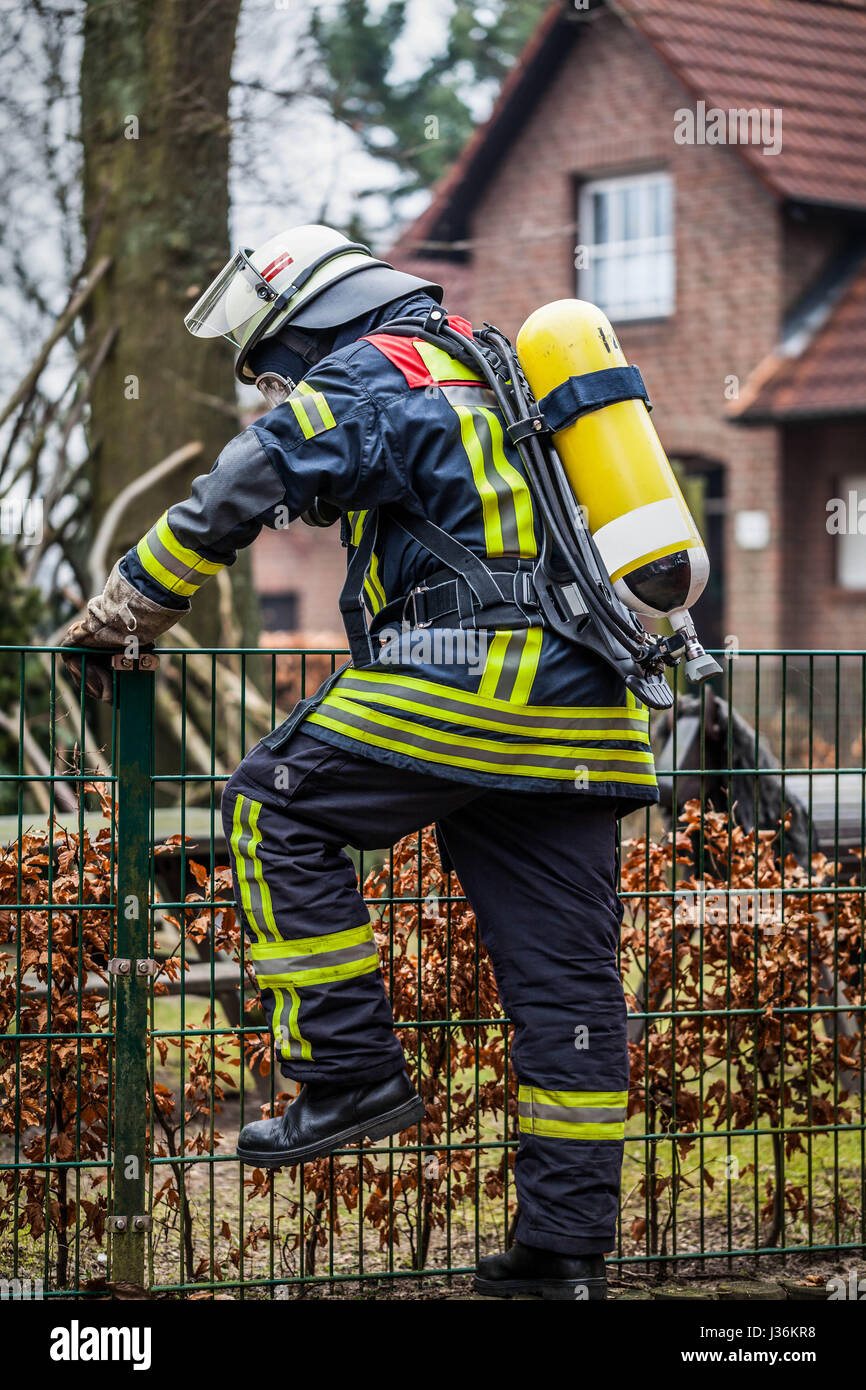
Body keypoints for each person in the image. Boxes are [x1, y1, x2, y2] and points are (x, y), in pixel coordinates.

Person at [62, 224, 659, 1300]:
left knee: (269, 810)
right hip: (588, 716)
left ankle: (347, 1072)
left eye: (277, 361)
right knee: (568, 992)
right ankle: (561, 1255)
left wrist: (128, 606)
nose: (283, 382)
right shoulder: (496, 364)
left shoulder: (378, 364)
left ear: (311, 317)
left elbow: (252, 473)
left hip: (468, 677)